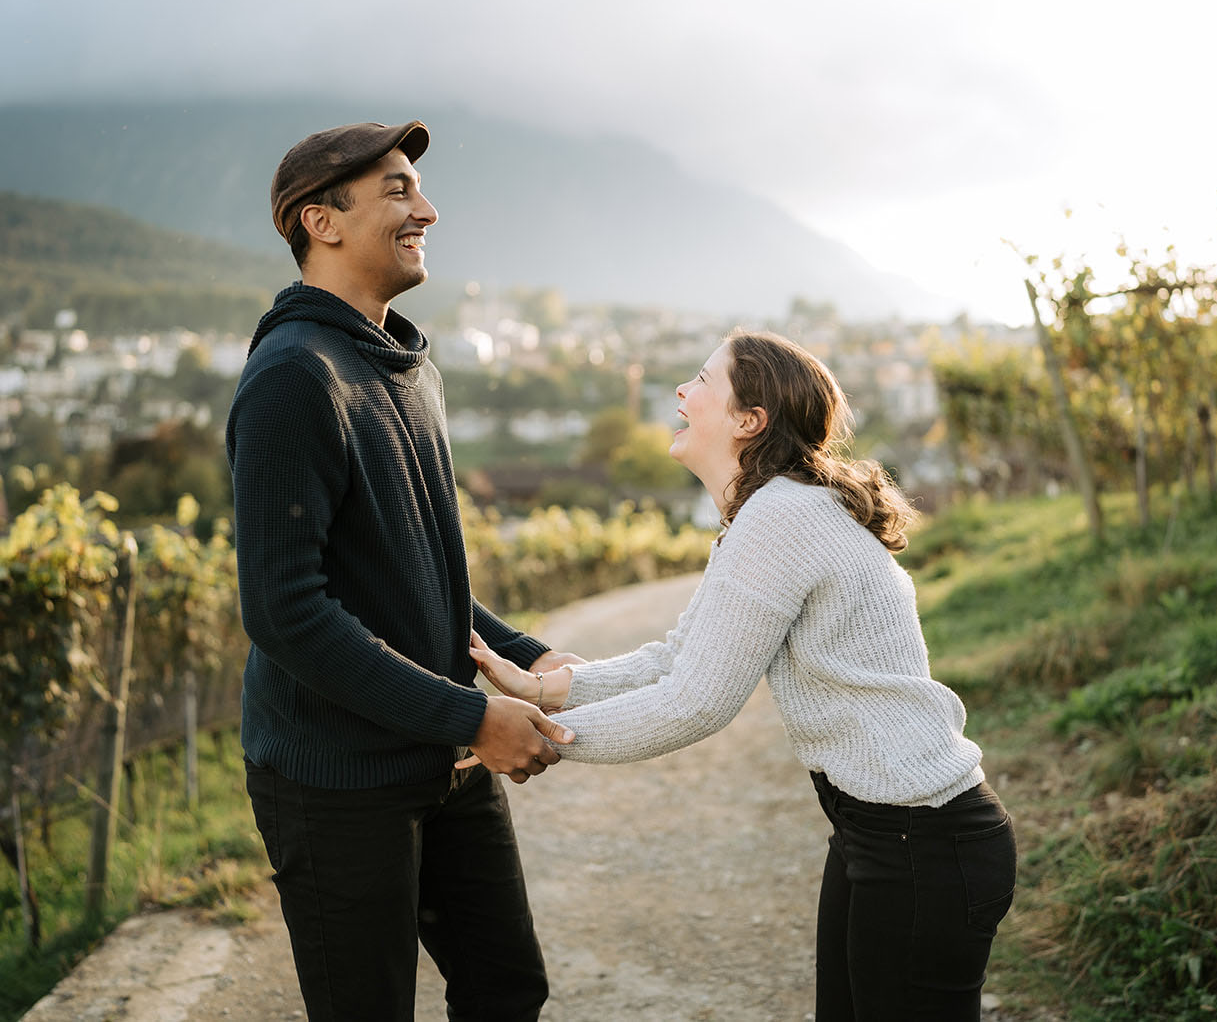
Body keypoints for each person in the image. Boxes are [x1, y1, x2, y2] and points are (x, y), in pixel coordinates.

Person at [466, 330, 1016, 1021]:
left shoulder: (782, 516)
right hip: (886, 832)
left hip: (922, 840)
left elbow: (696, 702)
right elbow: (678, 655)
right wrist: (540, 688)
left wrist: (541, 736)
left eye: (701, 380)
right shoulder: (773, 509)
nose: (680, 390)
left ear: (749, 420)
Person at [226, 119, 579, 1022]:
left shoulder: (410, 369)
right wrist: (473, 715)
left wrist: (528, 657)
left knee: (507, 988)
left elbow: (418, 562)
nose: (427, 208)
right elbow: (284, 609)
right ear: (321, 221)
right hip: (337, 780)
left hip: (441, 756)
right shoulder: (293, 377)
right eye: (397, 190)